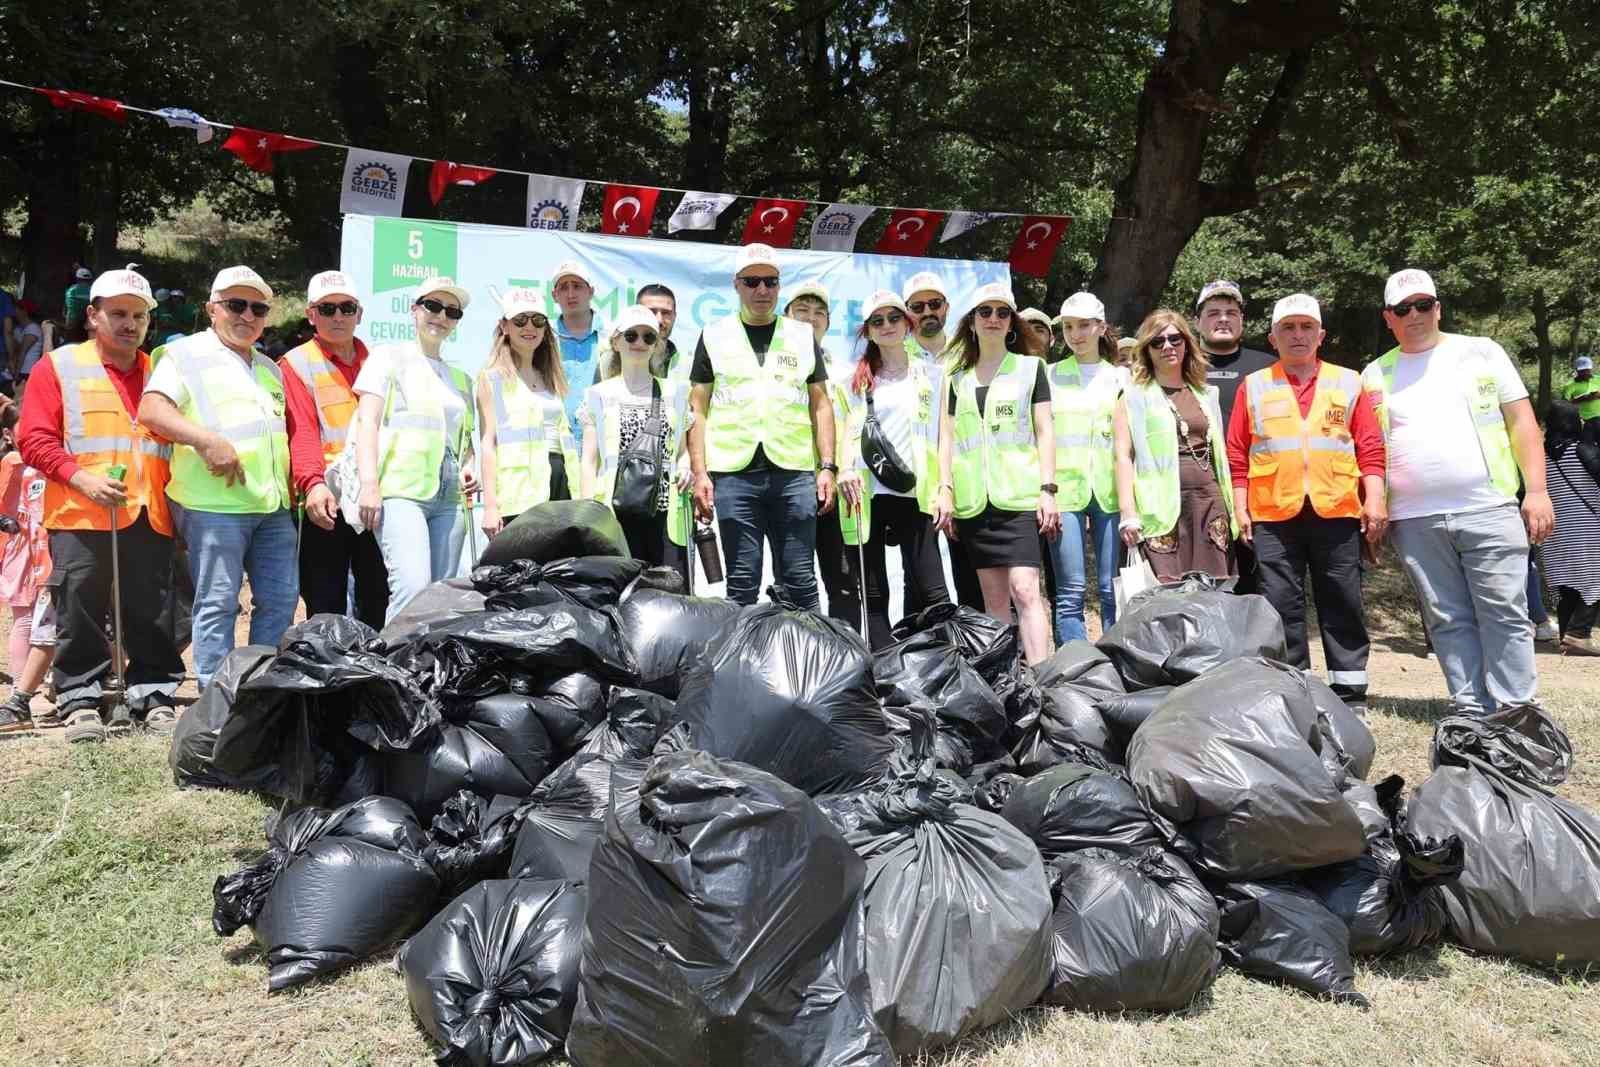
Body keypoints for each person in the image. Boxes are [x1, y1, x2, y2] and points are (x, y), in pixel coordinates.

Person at [1361, 268, 1554, 715]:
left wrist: (1537, 491)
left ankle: (1516, 710)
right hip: (1414, 518)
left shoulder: (1480, 352)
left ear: (1438, 308)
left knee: (1504, 612)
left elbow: (1522, 422)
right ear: (1388, 317)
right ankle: (1471, 709)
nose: (1416, 315)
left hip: (1488, 506)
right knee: (1446, 618)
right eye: (1403, 309)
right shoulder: (1375, 373)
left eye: (1424, 305)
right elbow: (1368, 449)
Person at [19, 267, 184, 740]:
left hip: (150, 509)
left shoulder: (161, 371)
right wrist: (81, 478)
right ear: (92, 316)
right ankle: (80, 697)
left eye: (138, 315)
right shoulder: (62, 366)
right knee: (80, 605)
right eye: (118, 314)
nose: (129, 324)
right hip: (79, 509)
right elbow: (34, 438)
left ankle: (152, 694)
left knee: (151, 609)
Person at [139, 265, 298, 689]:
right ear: (212, 309)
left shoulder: (269, 367)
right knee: (219, 602)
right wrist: (207, 442)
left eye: (258, 308)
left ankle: (259, 685)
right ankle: (216, 693)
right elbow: (152, 410)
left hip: (272, 505)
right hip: (213, 506)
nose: (247, 315)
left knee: (281, 600)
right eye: (236, 305)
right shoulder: (185, 355)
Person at [1226, 294, 1386, 707]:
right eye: (1288, 328)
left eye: (1306, 327)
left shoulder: (1348, 382)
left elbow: (1370, 447)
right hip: (1273, 513)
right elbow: (1236, 453)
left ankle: (1350, 693)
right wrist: (1240, 506)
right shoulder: (1255, 385)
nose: (1298, 335)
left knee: (1342, 600)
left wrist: (1376, 500)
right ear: (1273, 337)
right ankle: (1294, 689)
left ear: (1321, 335)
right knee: (1281, 604)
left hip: (1336, 509)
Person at [687, 243, 836, 608]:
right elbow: (697, 407)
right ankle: (742, 664)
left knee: (800, 579)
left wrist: (828, 466)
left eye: (770, 282)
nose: (762, 291)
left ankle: (811, 660)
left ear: (779, 286)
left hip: (794, 472)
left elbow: (821, 404)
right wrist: (700, 472)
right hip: (733, 474)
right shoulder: (713, 334)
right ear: (736, 285)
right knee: (742, 583)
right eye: (752, 282)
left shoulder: (802, 336)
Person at [934, 282, 1058, 664]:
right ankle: (1008, 681)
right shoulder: (956, 378)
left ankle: (1042, 677)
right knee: (994, 599)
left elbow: (1045, 431)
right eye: (984, 312)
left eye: (1002, 312)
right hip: (975, 503)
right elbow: (947, 440)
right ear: (972, 322)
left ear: (1011, 323)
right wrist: (945, 489)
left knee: (1026, 590)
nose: (993, 319)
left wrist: (1048, 489)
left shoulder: (1030, 368)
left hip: (1020, 497)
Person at [354, 277, 478, 621]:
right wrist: (369, 483)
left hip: (450, 497)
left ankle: (427, 672)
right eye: (433, 306)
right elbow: (368, 423)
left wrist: (471, 466)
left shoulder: (461, 379)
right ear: (414, 310)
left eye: (451, 311)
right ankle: (392, 669)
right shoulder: (387, 358)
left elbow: (463, 441)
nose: (441, 316)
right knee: (412, 587)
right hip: (400, 492)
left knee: (441, 595)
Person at [836, 290, 949, 648]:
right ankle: (885, 677)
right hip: (866, 496)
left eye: (894, 318)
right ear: (867, 331)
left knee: (933, 591)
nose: (886, 326)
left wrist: (945, 487)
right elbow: (845, 433)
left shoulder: (933, 374)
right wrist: (843, 470)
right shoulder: (853, 380)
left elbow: (944, 436)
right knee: (872, 593)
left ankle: (945, 668)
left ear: (908, 324)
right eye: (877, 321)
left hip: (917, 494)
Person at [280, 270, 388, 627]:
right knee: (325, 600)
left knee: (378, 593)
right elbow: (302, 430)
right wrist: (313, 483)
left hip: (375, 496)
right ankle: (329, 677)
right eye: (327, 309)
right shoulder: (296, 364)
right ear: (311, 315)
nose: (338, 316)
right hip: (327, 500)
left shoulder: (378, 362)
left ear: (359, 313)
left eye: (346, 308)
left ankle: (375, 675)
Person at [1114, 310, 1237, 582]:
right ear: (1147, 349)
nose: (1168, 346)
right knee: (1167, 594)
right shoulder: (1133, 396)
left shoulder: (1206, 394)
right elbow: (1123, 455)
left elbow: (1219, 455)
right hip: (1161, 507)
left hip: (1209, 502)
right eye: (1158, 342)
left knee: (1214, 591)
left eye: (1175, 339)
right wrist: (1128, 511)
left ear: (1187, 343)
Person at [581, 304, 691, 581]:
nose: (640, 343)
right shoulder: (598, 394)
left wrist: (686, 467)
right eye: (631, 336)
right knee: (616, 594)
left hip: (664, 513)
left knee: (669, 595)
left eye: (648, 337)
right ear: (616, 342)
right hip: (614, 511)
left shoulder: (674, 393)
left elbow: (682, 451)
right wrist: (586, 512)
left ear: (657, 345)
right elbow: (589, 461)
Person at [1047, 291, 1128, 643]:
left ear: (1101, 327)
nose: (1075, 334)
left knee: (1113, 589)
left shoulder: (1122, 379)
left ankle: (1118, 663)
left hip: (1111, 491)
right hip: (1064, 492)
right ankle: (1074, 671)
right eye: (1067, 327)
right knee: (1070, 591)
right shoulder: (1048, 375)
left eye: (1083, 325)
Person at [904, 269, 983, 611]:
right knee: (917, 577)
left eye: (934, 304)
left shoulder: (970, 354)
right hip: (915, 480)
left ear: (947, 308)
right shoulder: (893, 355)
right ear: (908, 312)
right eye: (917, 307)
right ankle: (920, 657)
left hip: (963, 477)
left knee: (970, 568)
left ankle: (978, 651)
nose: (927, 312)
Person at [1194, 279, 1275, 594]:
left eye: (1231, 312)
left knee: (1258, 584)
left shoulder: (1268, 366)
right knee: (1204, 583)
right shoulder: (1179, 363)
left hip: (1256, 490)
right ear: (1198, 321)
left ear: (1243, 320)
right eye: (1213, 312)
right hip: (1198, 491)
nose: (1223, 318)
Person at [782, 281, 855, 625]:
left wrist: (843, 469)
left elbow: (852, 427)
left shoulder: (843, 373)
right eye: (802, 312)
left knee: (842, 580)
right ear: (786, 316)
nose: (811, 320)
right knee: (793, 582)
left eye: (819, 313)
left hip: (834, 488)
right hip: (789, 485)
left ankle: (846, 657)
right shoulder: (774, 367)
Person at [478, 286, 575, 538]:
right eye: (520, 320)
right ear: (504, 326)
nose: (529, 327)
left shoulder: (552, 378)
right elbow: (488, 443)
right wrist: (490, 506)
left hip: (562, 488)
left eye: (538, 320)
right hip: (518, 495)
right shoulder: (492, 379)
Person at [0, 406, 55, 731]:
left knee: (50, 621)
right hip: (23, 548)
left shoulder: (46, 464)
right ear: (9, 434)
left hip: (50, 545)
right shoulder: (12, 463)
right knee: (25, 620)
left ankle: (47, 685)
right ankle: (20, 693)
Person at [1539, 401, 1600, 655]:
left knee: (1568, 584)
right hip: (1587, 527)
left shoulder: (1540, 458)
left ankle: (1566, 635)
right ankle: (1579, 633)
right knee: (1595, 579)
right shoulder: (1581, 450)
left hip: (1554, 530)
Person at [551, 260, 603, 440]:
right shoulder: (543, 337)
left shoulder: (613, 336)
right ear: (554, 295)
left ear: (591, 291)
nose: (570, 293)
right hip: (555, 443)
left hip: (601, 440)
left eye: (577, 286)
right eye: (564, 287)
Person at [637, 283, 683, 378]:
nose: (659, 320)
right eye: (651, 311)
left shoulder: (687, 365)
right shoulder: (615, 360)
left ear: (674, 316)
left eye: (666, 313)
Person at [1565, 355, 1600, 430]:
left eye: (1587, 370)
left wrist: (1597, 395)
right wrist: (1582, 398)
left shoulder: (1598, 379)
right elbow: (1564, 405)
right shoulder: (1570, 385)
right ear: (1577, 370)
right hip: (1584, 421)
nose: (1585, 373)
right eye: (1582, 371)